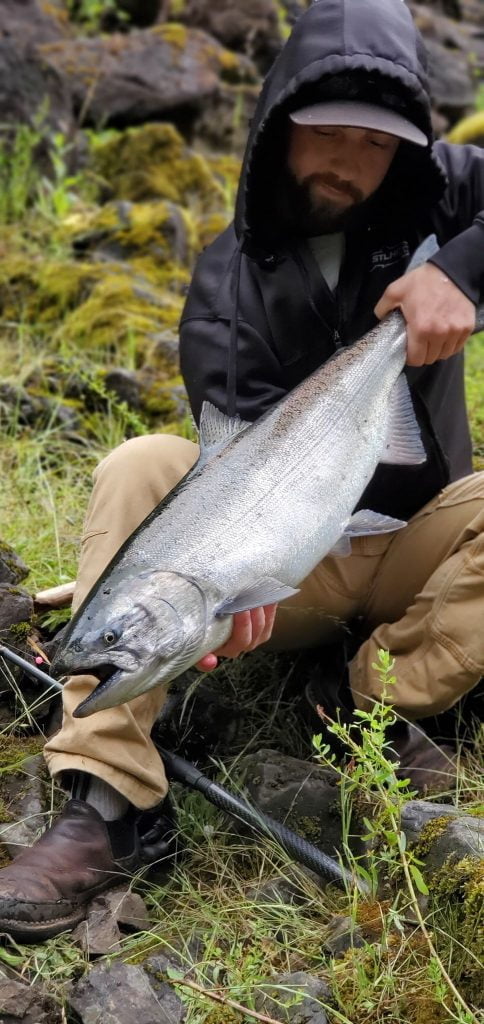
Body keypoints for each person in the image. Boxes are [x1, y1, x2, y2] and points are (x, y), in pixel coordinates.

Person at [1, 0, 483, 943]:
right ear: (277, 130)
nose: (348, 162)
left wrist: (460, 272)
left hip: (416, 540)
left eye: (373, 143)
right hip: (286, 563)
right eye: (326, 135)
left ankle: (361, 707)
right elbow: (240, 465)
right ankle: (108, 799)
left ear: (407, 149)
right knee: (144, 464)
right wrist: (233, 589)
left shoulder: (438, 193)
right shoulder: (227, 282)